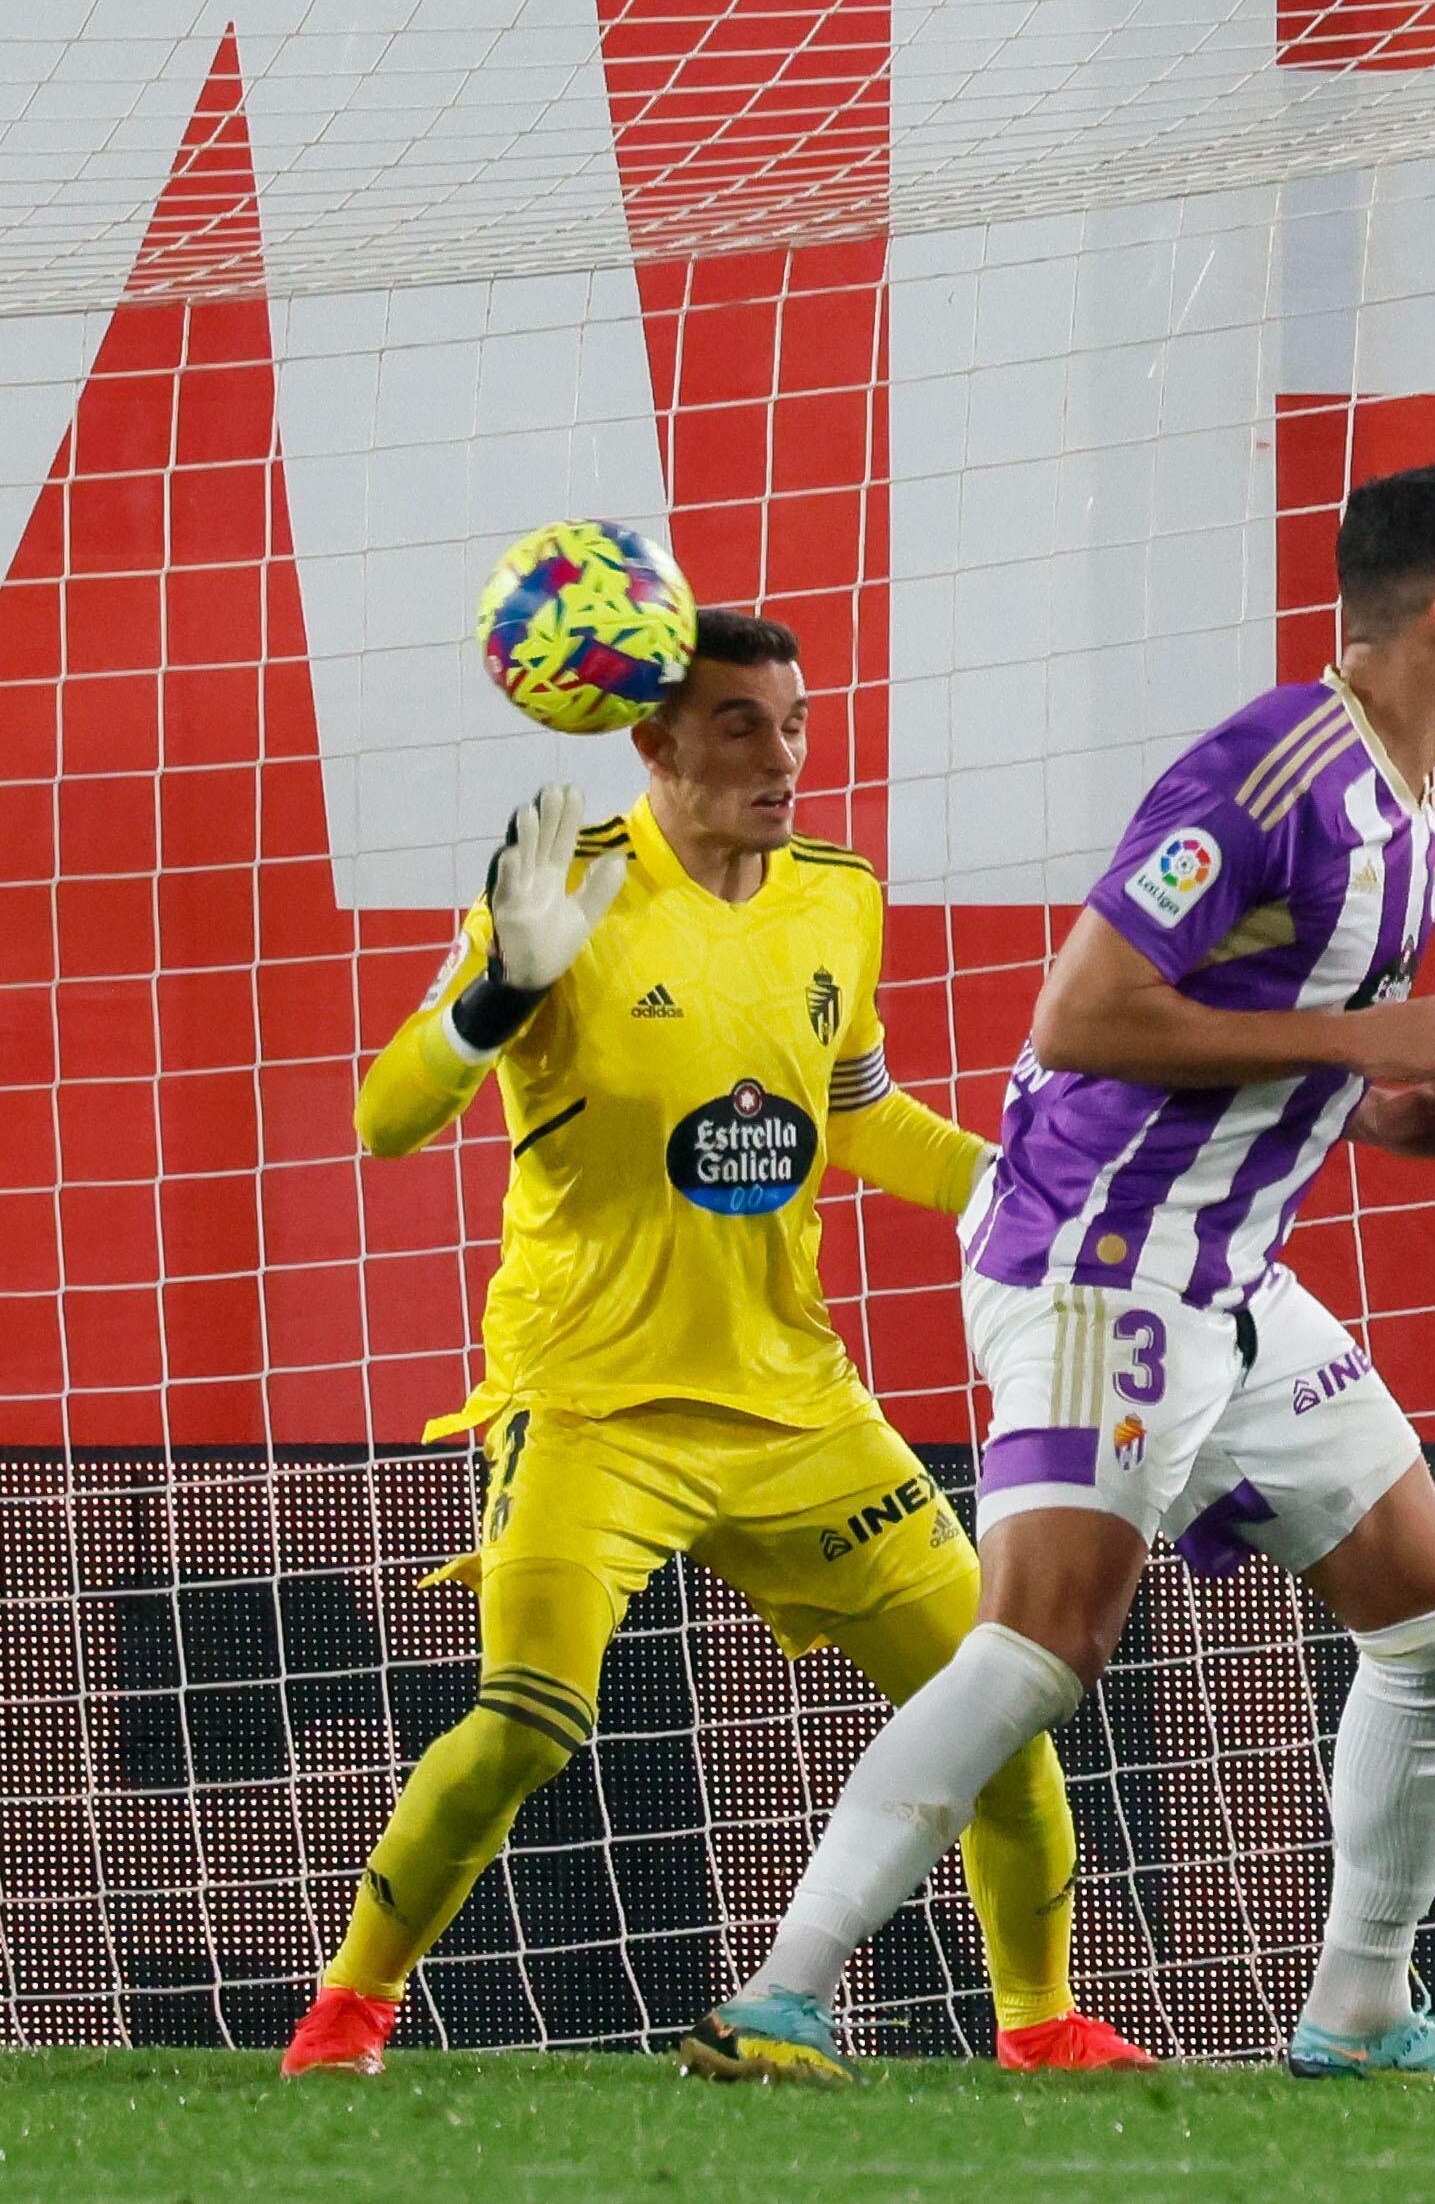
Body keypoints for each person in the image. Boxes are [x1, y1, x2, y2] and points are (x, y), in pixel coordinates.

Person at [683, 467, 1435, 2084]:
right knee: (1044, 1640)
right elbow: (1077, 1017)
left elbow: (1234, 1039)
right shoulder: (1273, 768)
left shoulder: (1400, 794)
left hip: (1228, 1266)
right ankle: (780, 1991)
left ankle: (1360, 2008)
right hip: (1104, 1255)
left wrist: (1373, 1110)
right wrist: (1349, 1035)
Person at [281, 611, 1132, 2078]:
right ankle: (347, 2011)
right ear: (654, 742)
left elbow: (854, 1104)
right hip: (594, 1404)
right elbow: (383, 1118)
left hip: (795, 1404)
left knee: (1004, 1696)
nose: (784, 755)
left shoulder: (836, 898)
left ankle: (1041, 2022)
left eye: (795, 721)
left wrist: (1020, 1185)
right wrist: (500, 991)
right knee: (524, 1726)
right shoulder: (562, 895)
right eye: (742, 724)